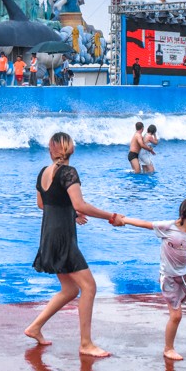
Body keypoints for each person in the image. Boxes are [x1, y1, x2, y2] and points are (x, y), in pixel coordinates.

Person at [24, 132, 124, 357]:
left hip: (49, 234)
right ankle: (86, 344)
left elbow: (43, 205)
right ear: (71, 149)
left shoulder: (43, 172)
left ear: (52, 150)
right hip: (63, 238)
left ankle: (35, 327)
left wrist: (71, 212)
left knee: (70, 289)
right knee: (89, 287)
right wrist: (111, 216)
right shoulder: (68, 172)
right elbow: (81, 203)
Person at [117, 198, 186, 360]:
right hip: (169, 279)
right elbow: (145, 224)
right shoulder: (168, 227)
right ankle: (168, 348)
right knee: (176, 316)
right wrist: (123, 220)